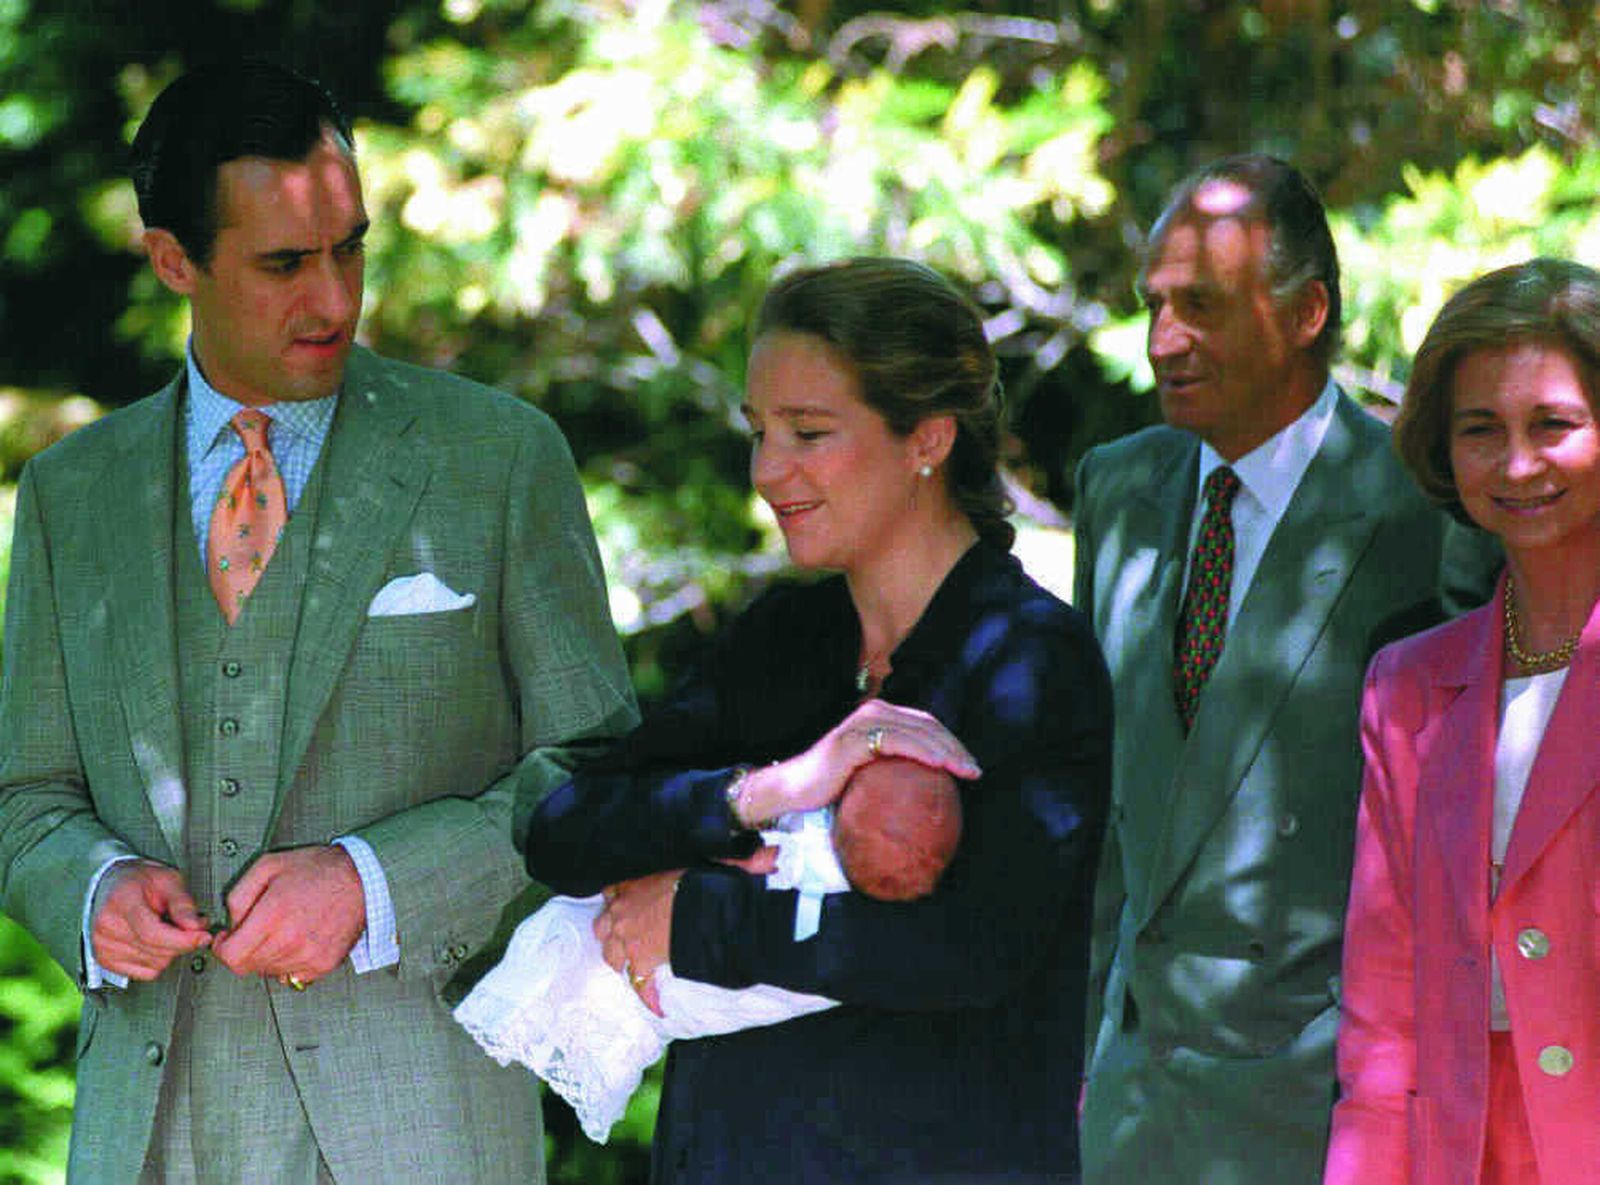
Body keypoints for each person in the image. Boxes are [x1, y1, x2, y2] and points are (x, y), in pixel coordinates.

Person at [0, 59, 636, 1182]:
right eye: (286, 263)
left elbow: (594, 772)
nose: (336, 298)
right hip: (146, 1138)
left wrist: (376, 882)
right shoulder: (69, 495)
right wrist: (90, 891)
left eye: (352, 249)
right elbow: (25, 796)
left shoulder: (497, 458)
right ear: (172, 261)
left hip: (422, 1129)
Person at [524, 256, 1113, 1183]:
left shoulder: (1032, 656)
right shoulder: (785, 638)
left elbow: (973, 950)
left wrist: (698, 915)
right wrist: (777, 787)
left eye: (808, 432)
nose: (767, 470)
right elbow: (561, 831)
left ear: (927, 437)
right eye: (760, 431)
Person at [1073, 154, 1495, 1182]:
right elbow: (1113, 823)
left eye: (1201, 307)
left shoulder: (1427, 508)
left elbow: (1454, 857)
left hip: (1319, 1108)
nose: (1163, 341)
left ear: (1306, 312)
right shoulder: (1117, 488)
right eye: (1154, 305)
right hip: (1127, 1103)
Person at [1325, 258, 1600, 1184]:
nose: (1518, 463)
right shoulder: (1406, 688)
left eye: (1553, 425)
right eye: (1481, 429)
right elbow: (1381, 1016)